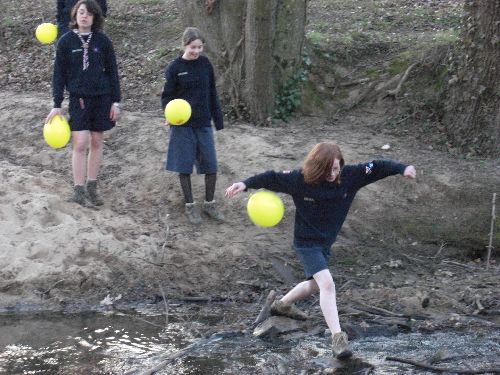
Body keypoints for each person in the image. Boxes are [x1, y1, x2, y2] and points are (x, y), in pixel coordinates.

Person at [225, 142, 417, 359]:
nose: (333, 174)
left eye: (336, 168)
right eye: (328, 170)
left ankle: (281, 305)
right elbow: (271, 177)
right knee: (327, 284)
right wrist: (245, 184)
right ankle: (338, 339)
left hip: (326, 243)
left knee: (315, 284)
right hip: (306, 243)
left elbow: (379, 166)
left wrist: (402, 168)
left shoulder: (350, 176)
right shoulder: (300, 180)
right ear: (317, 167)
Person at [46, 0, 121, 206]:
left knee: (97, 141)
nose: (84, 16)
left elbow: (113, 73)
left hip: (102, 98)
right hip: (79, 98)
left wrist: (116, 101)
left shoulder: (103, 41)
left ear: (95, 16)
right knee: (80, 143)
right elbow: (58, 75)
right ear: (74, 15)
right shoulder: (66, 41)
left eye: (88, 13)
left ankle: (92, 187)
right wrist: (56, 103)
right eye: (80, 12)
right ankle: (78, 190)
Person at [161, 27, 225, 225]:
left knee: (211, 166)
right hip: (182, 125)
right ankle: (190, 206)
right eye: (192, 47)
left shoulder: (205, 64)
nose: (196, 51)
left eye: (199, 47)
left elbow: (212, 93)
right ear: (184, 45)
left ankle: (209, 204)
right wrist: (169, 115)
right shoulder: (174, 68)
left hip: (203, 122)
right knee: (184, 166)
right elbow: (167, 97)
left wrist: (218, 120)